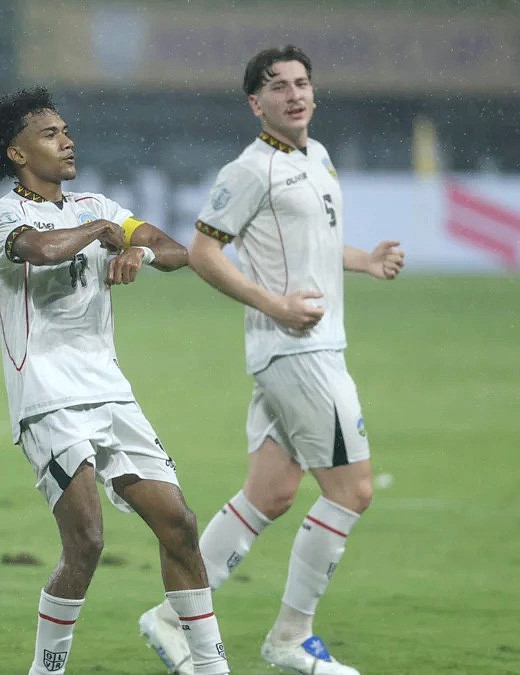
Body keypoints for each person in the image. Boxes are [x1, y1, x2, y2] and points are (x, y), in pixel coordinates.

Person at [140, 46, 405, 675]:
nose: (295, 94)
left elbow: (315, 245)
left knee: (271, 493)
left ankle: (172, 617)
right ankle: (292, 637)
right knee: (352, 491)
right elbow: (204, 253)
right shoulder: (249, 171)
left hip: (301, 349)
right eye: (279, 86)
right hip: (298, 352)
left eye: (302, 83)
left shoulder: (318, 156)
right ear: (256, 104)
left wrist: (363, 260)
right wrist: (276, 306)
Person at [0, 87, 229, 675]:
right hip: (47, 398)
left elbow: (174, 249)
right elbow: (40, 249)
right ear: (17, 153)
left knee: (179, 525)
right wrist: (102, 231)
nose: (67, 141)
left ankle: (213, 669)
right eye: (50, 134)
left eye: (66, 131)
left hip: (111, 392)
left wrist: (140, 254)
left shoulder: (95, 205)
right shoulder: (2, 214)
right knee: (85, 542)